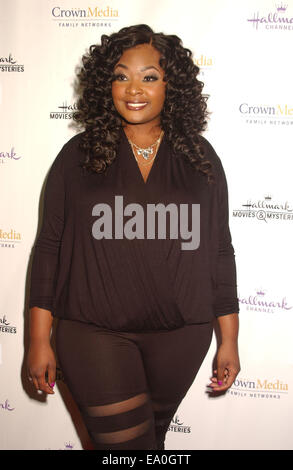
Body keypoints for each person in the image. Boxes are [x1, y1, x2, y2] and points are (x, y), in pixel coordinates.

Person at [27, 24, 240, 451]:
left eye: (149, 76)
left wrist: (229, 340)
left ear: (171, 85)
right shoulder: (78, 156)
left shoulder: (199, 157)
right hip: (93, 332)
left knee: (151, 446)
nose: (133, 89)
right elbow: (49, 247)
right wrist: (37, 339)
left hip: (181, 334)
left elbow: (219, 249)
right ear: (105, 84)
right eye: (121, 76)